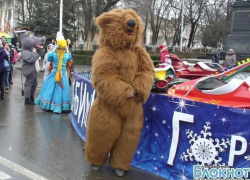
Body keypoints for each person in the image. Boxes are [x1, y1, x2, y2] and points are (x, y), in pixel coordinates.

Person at [35, 32, 72, 113]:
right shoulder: (66, 55)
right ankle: (61, 106)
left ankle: (49, 104)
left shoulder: (53, 55)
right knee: (62, 89)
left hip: (54, 73)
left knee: (50, 88)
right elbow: (69, 57)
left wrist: (54, 48)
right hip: (63, 74)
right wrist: (66, 48)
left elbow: (49, 57)